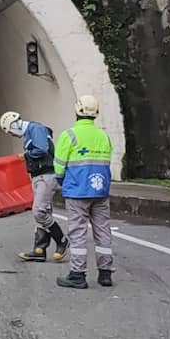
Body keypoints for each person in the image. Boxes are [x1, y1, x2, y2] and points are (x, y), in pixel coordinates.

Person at [53, 95, 114, 289]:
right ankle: (105, 273)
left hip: (77, 191)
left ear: (77, 111)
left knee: (78, 232)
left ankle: (77, 274)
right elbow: (107, 162)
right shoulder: (104, 136)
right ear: (96, 113)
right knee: (102, 231)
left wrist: (63, 182)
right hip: (100, 191)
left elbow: (59, 167)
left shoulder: (69, 135)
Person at [0, 111, 69, 263]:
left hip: (46, 175)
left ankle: (61, 239)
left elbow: (42, 149)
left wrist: (25, 156)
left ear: (14, 124)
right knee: (44, 211)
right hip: (38, 175)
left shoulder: (36, 129)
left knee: (38, 211)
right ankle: (39, 249)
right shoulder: (29, 133)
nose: (13, 135)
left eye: (11, 131)